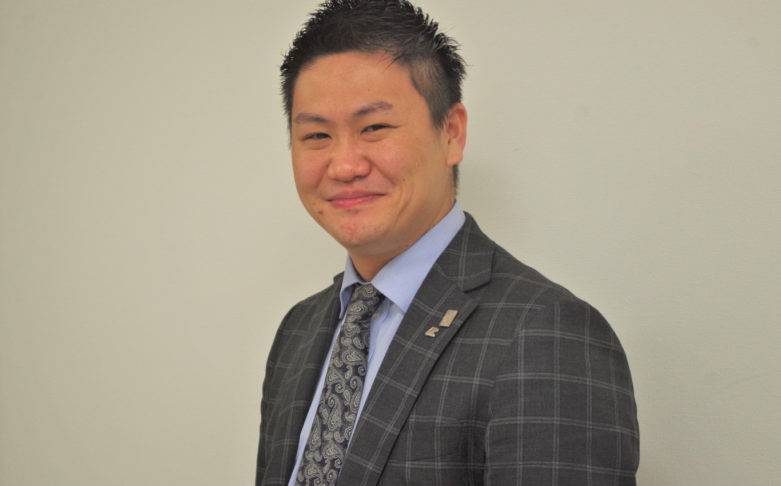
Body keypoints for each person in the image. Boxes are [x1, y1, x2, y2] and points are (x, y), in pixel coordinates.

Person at [256, 1, 639, 485]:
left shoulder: (545, 331)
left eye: (374, 128)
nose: (345, 165)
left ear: (452, 133)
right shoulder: (298, 329)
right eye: (316, 135)